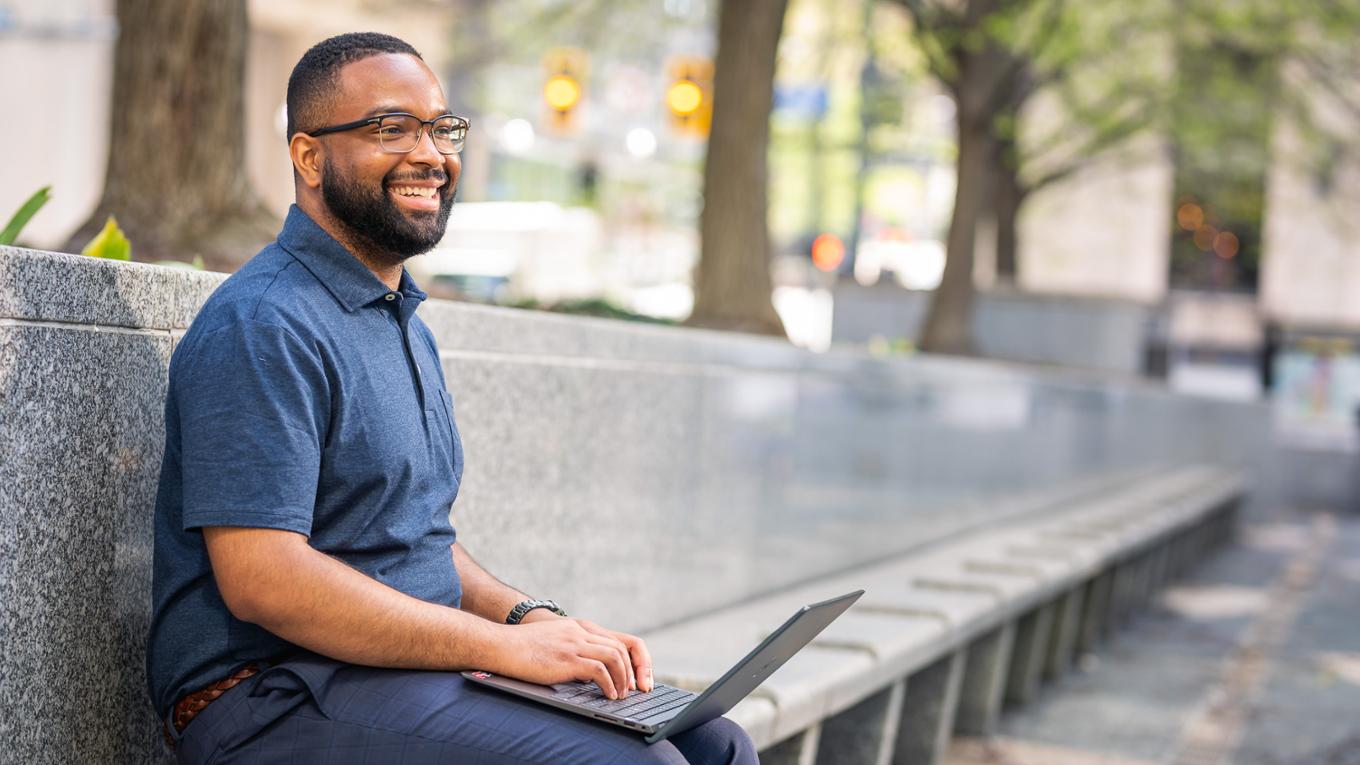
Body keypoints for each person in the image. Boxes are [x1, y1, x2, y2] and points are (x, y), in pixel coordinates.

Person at [146, 32, 756, 765]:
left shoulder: (396, 317)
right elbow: (263, 578)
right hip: (264, 698)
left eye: (441, 127)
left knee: (713, 741)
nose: (430, 153)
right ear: (308, 157)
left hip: (391, 673)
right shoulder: (263, 321)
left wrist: (535, 620)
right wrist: (505, 648)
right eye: (390, 128)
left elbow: (415, 537)